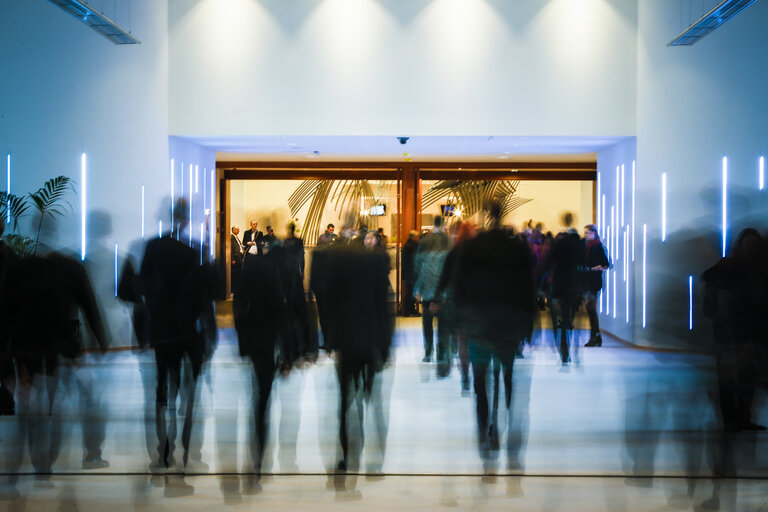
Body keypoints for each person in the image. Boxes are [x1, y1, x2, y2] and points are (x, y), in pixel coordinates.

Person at [453, 202, 535, 477]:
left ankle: (486, 427)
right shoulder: (517, 248)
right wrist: (528, 326)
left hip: (478, 324)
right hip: (508, 324)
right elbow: (528, 289)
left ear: (486, 217)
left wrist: (459, 322)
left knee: (481, 382)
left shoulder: (472, 249)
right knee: (507, 375)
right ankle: (504, 419)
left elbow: (460, 287)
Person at [138, 199, 216, 469]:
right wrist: (208, 329)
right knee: (188, 387)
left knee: (162, 383)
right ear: (185, 220)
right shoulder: (193, 252)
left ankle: (164, 446)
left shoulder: (153, 248)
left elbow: (143, 286)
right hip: (187, 328)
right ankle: (185, 441)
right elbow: (204, 295)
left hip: (162, 326)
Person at [325, 237, 394, 495]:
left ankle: (345, 455)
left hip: (346, 342)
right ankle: (371, 459)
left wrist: (331, 340)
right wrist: (385, 346)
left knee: (344, 402)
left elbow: (330, 306)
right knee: (370, 397)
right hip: (369, 341)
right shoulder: (376, 266)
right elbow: (383, 307)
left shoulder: (339, 269)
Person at [702, 228, 766, 432]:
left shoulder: (759, 270)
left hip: (749, 332)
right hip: (730, 332)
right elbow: (708, 278)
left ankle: (741, 417)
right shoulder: (730, 266)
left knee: (747, 377)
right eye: (749, 244)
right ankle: (732, 419)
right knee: (731, 378)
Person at [414, 216, 451, 363]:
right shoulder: (448, 241)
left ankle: (428, 352)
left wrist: (418, 286)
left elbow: (417, 265)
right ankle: (441, 353)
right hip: (443, 290)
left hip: (428, 288)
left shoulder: (424, 241)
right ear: (443, 225)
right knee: (443, 323)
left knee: (427, 322)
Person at [583, 224, 609, 347]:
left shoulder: (597, 247)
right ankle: (596, 336)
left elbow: (606, 264)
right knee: (590, 310)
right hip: (589, 281)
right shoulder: (588, 246)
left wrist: (593, 269)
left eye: (587, 233)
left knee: (591, 310)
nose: (585, 235)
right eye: (585, 233)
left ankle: (594, 337)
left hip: (593, 282)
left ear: (594, 233)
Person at [401, 231, 420, 317]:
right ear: (413, 237)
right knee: (410, 293)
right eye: (417, 237)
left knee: (411, 292)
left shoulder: (408, 246)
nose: (418, 238)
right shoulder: (410, 246)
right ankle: (408, 311)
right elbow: (412, 261)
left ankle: (410, 310)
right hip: (410, 273)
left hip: (408, 272)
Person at [230, 226, 244, 293]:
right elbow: (231, 249)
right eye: (237, 229)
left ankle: (237, 287)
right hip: (235, 258)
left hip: (239, 257)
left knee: (238, 272)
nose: (239, 230)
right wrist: (232, 259)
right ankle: (233, 288)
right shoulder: (231, 238)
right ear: (233, 230)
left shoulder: (237, 237)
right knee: (234, 273)